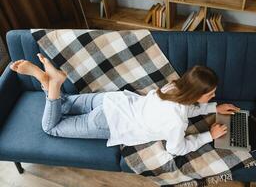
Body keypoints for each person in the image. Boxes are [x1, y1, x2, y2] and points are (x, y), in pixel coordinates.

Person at [9, 53, 240, 156]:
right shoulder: (176, 122)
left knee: (65, 102)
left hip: (112, 100)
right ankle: (53, 83)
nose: (213, 96)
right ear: (195, 92)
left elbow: (186, 105)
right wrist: (209, 135)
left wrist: (213, 108)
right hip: (107, 122)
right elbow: (176, 149)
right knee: (52, 127)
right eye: (210, 94)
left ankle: (45, 80)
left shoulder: (174, 87)